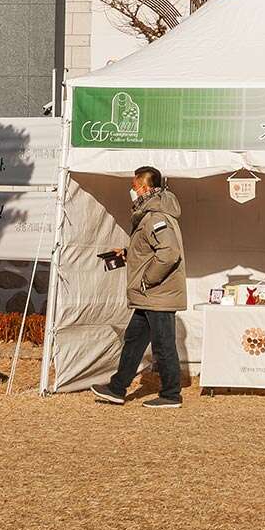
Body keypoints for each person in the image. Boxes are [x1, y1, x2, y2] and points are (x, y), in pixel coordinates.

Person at [92, 166, 187, 409]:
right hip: (149, 296)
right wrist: (126, 254)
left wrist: (148, 279)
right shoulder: (148, 215)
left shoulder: (156, 217)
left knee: (163, 344)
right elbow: (150, 251)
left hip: (157, 294)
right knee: (134, 340)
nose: (132, 191)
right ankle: (117, 388)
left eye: (135, 186)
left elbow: (169, 253)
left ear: (145, 188)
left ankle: (170, 395)